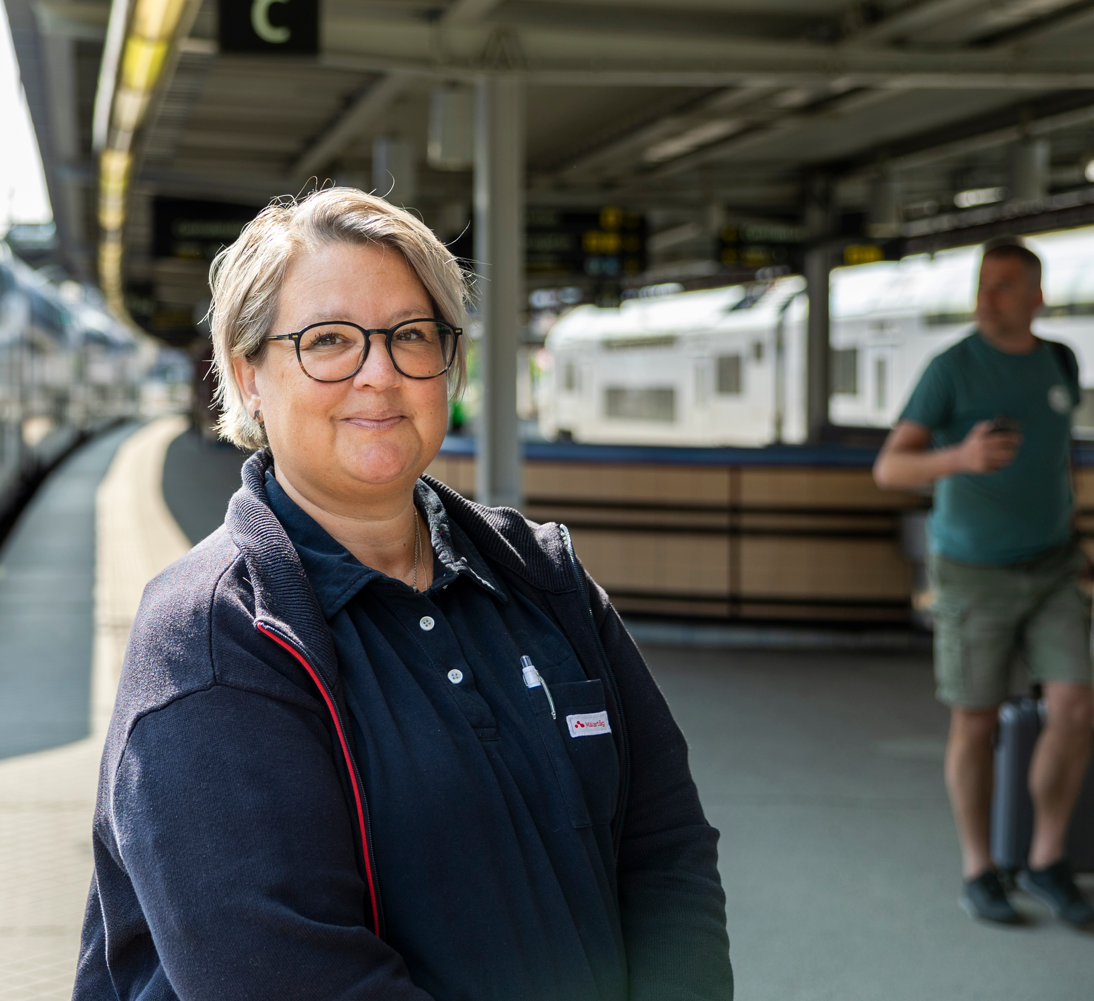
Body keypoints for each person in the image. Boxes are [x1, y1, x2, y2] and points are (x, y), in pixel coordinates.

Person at [77, 188, 732, 1001]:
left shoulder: (543, 577)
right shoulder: (212, 643)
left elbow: (665, 848)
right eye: (329, 341)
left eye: (411, 336)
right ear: (248, 376)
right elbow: (282, 973)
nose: (379, 374)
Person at [873, 238, 1094, 928]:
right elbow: (889, 469)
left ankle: (1046, 857)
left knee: (1075, 709)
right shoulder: (951, 370)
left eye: (1003, 285)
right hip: (974, 574)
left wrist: (1072, 528)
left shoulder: (1060, 362)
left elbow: (1057, 459)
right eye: (983, 283)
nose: (987, 297)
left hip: (1054, 564)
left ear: (1036, 297)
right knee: (974, 720)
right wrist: (961, 457)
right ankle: (980, 867)